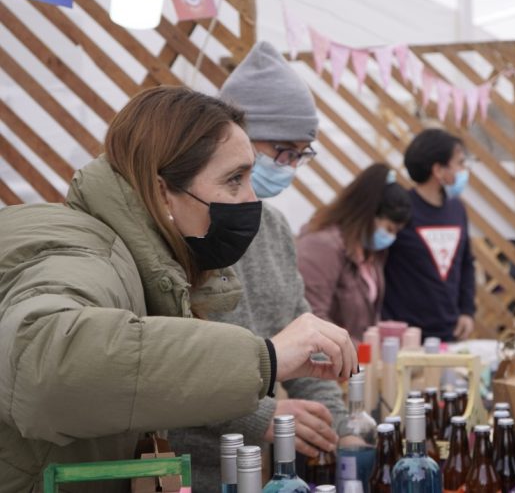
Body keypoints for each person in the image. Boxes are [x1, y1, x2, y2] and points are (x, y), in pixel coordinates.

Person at [0, 86, 356, 492]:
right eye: (234, 179)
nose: (252, 199)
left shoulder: (147, 264)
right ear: (161, 191)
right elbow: (43, 362)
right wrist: (266, 360)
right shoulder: (80, 254)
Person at [166, 41, 347, 489]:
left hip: (255, 472)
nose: (288, 169)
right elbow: (168, 372)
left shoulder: (276, 228)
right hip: (178, 471)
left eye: (301, 155)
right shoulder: (175, 233)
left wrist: (342, 429)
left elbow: (303, 335)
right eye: (282, 152)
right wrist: (260, 416)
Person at [296, 162, 412, 342]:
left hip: (354, 361)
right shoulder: (322, 246)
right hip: (328, 359)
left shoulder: (371, 253)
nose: (392, 238)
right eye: (389, 229)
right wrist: (358, 350)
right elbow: (311, 316)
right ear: (368, 214)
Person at [382, 128, 476, 341]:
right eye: (459, 163)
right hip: (405, 336)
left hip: (449, 332)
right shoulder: (401, 208)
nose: (464, 170)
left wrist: (467, 311)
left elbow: (466, 263)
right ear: (439, 170)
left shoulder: (457, 209)